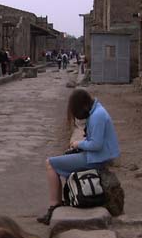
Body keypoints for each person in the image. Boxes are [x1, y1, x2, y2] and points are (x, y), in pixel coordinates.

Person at [38, 88, 120, 225]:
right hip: (96, 156)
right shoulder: (97, 111)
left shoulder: (97, 116)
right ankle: (58, 203)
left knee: (50, 163)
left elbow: (96, 144)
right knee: (60, 161)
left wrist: (78, 144)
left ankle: (54, 206)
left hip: (95, 159)